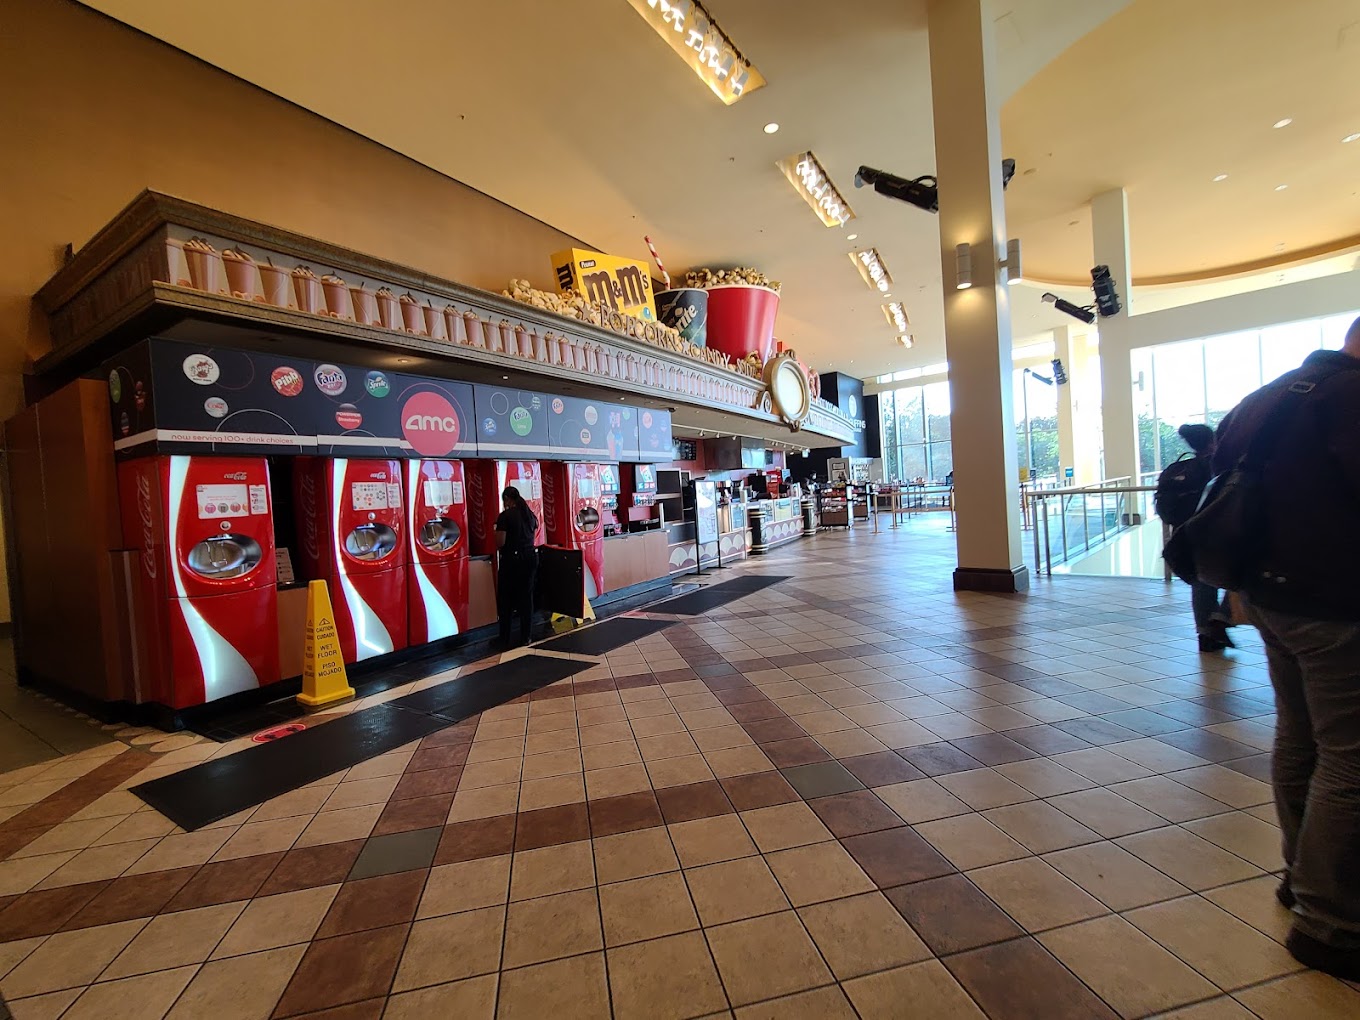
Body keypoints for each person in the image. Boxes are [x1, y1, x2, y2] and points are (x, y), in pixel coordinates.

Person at [1212, 316, 1360, 980]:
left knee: (1300, 737)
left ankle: (1302, 877)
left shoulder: (1265, 397)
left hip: (1269, 597)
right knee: (1351, 756)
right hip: (1336, 601)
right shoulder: (1349, 397)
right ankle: (1330, 923)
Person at [1164, 423, 1234, 651]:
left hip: (1187, 533)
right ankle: (1222, 616)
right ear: (1213, 441)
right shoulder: (1220, 466)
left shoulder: (1183, 468)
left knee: (1201, 580)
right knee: (1243, 574)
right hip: (1216, 530)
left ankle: (1205, 634)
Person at [494, 486, 539, 648]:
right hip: (530, 557)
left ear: (507, 499)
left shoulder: (505, 517)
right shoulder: (529, 514)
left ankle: (504, 638)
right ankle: (526, 637)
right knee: (526, 599)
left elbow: (500, 542)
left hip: (512, 560)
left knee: (505, 600)